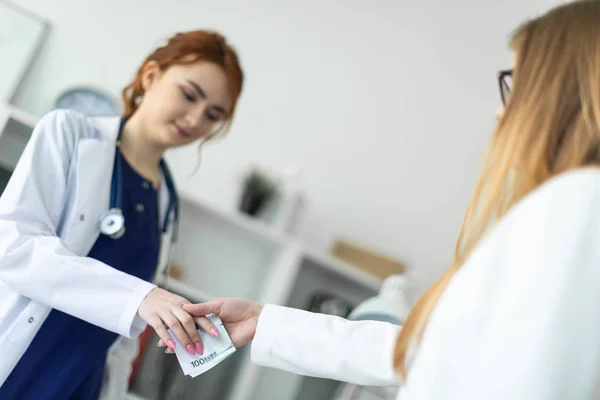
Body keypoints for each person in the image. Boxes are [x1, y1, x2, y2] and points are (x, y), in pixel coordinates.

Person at [162, 1, 600, 398]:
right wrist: (266, 322)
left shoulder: (575, 203)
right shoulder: (569, 206)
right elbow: (435, 350)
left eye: (515, 84)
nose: (499, 111)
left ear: (562, 94)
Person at [0, 30, 244, 399]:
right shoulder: (70, 132)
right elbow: (15, 247)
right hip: (22, 365)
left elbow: (121, 343)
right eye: (189, 95)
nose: (195, 119)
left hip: (81, 384)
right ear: (151, 75)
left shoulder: (167, 203)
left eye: (212, 115)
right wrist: (141, 297)